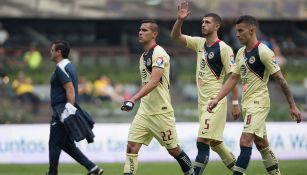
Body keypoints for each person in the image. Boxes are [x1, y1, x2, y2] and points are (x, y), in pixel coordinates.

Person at [207, 15, 302, 175]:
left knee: (245, 140)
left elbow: (280, 79)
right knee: (262, 143)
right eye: (236, 31)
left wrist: (292, 105)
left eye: (240, 31)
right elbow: (233, 78)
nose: (237, 35)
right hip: (248, 103)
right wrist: (217, 98)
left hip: (259, 103)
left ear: (252, 30)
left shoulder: (264, 51)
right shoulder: (241, 53)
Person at [170, 1, 240, 175]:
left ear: (217, 26)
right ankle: (240, 172)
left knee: (202, 141)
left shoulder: (224, 49)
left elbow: (233, 76)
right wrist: (180, 20)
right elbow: (176, 36)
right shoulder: (199, 43)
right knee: (216, 143)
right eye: (202, 22)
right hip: (203, 103)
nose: (203, 24)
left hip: (215, 101)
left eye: (207, 22)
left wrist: (235, 102)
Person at [121, 20, 195, 175]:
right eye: (140, 30)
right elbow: (147, 83)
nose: (140, 32)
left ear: (154, 34)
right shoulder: (143, 57)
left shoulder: (159, 53)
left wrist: (133, 98)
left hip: (161, 112)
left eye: (145, 30)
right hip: (144, 112)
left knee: (174, 150)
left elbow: (154, 82)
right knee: (131, 147)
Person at [47, 40, 103, 175]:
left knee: (54, 143)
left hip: (62, 110)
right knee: (67, 145)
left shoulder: (61, 68)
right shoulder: (70, 66)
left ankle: (52, 173)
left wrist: (67, 111)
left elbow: (70, 89)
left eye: (52, 50)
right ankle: (92, 168)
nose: (50, 52)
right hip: (64, 108)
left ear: (59, 52)